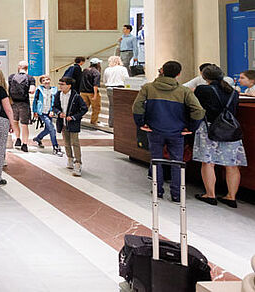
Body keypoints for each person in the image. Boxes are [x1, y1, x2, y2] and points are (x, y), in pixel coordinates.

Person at [133, 61, 205, 202]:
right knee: (177, 162)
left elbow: (137, 106)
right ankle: (177, 194)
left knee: (156, 160)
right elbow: (199, 110)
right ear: (178, 74)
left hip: (154, 130)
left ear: (162, 71)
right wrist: (191, 128)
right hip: (177, 132)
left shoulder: (148, 88)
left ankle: (157, 190)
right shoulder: (183, 91)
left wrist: (141, 123)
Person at [193, 64, 248, 208]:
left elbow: (196, 107)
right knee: (231, 164)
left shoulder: (202, 89)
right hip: (230, 130)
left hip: (209, 128)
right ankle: (231, 196)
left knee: (208, 162)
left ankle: (210, 194)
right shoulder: (233, 92)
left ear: (204, 77)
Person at [51, 77, 88, 176]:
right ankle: (70, 159)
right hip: (63, 123)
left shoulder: (76, 96)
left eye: (62, 84)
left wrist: (74, 117)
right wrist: (59, 113)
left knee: (75, 142)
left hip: (73, 123)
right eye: (60, 84)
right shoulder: (58, 94)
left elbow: (84, 109)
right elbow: (54, 106)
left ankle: (78, 163)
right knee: (66, 143)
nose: (60, 86)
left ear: (69, 85)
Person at [8, 60, 36, 152]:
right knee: (24, 125)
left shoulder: (11, 77)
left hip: (13, 103)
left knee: (15, 122)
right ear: (27, 68)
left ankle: (18, 139)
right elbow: (32, 90)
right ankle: (25, 144)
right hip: (24, 103)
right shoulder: (30, 78)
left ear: (18, 67)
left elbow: (9, 90)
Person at [32, 75, 62, 155]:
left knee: (48, 129)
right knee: (52, 128)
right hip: (42, 112)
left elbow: (55, 101)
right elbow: (35, 100)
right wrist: (34, 111)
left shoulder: (54, 90)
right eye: (44, 80)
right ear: (41, 82)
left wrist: (53, 110)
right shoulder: (39, 90)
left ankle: (38, 138)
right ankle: (55, 146)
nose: (46, 81)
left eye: (47, 79)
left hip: (50, 112)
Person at [104, 55, 130, 128]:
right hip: (120, 87)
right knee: (121, 106)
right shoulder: (123, 69)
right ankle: (120, 123)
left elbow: (104, 80)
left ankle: (111, 123)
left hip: (109, 88)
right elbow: (126, 79)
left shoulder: (107, 69)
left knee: (111, 106)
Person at [80, 58, 102, 126]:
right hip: (91, 93)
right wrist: (95, 95)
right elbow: (95, 85)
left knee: (83, 107)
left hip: (83, 92)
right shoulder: (96, 72)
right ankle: (94, 121)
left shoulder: (85, 70)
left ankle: (78, 118)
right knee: (96, 108)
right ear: (97, 64)